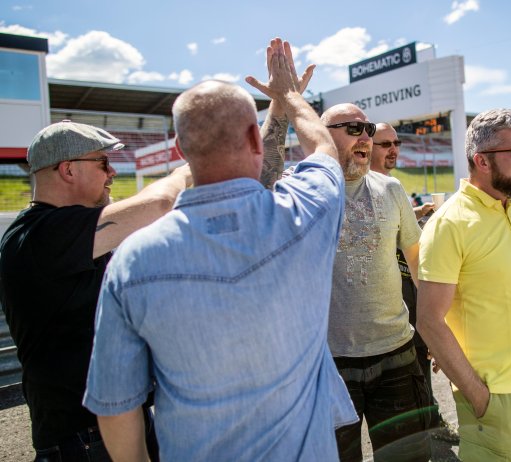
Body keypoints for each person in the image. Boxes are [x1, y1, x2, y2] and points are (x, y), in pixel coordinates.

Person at [82, 38, 357, 461]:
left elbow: (117, 407)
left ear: (179, 150)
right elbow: (323, 148)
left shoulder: (133, 260)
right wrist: (289, 97)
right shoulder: (305, 213)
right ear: (255, 138)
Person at [0, 118, 191, 460]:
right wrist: (199, 161)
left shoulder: (61, 232)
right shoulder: (40, 235)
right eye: (103, 162)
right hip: (84, 441)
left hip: (103, 431)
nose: (112, 173)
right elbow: (159, 204)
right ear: (68, 170)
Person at [416, 108, 511, 461]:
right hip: (495, 396)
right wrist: (477, 395)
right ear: (482, 161)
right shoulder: (449, 224)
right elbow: (429, 321)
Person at [320, 106, 431, 462]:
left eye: (368, 128)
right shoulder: (302, 191)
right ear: (322, 135)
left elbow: (417, 264)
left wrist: (437, 333)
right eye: (354, 128)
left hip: (396, 356)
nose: (366, 137)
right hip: (329, 364)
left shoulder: (392, 188)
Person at [370, 122, 457, 442]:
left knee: (423, 357)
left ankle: (431, 422)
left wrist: (418, 212)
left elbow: (403, 238)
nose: (393, 149)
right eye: (384, 144)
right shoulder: (362, 187)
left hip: (411, 289)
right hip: (386, 301)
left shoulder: (394, 187)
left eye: (396, 143)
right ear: (367, 148)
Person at [370, 123, 433, 219]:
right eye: (386, 144)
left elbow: (398, 218)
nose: (393, 149)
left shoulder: (390, 180)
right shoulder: (361, 185)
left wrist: (421, 211)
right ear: (369, 147)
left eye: (396, 143)